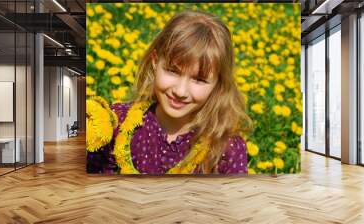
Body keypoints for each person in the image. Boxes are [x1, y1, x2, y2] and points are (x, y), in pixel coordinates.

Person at [86, 10, 252, 174]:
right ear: (155, 62)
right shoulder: (117, 123)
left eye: (199, 80)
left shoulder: (226, 151)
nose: (180, 91)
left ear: (218, 84)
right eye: (173, 71)